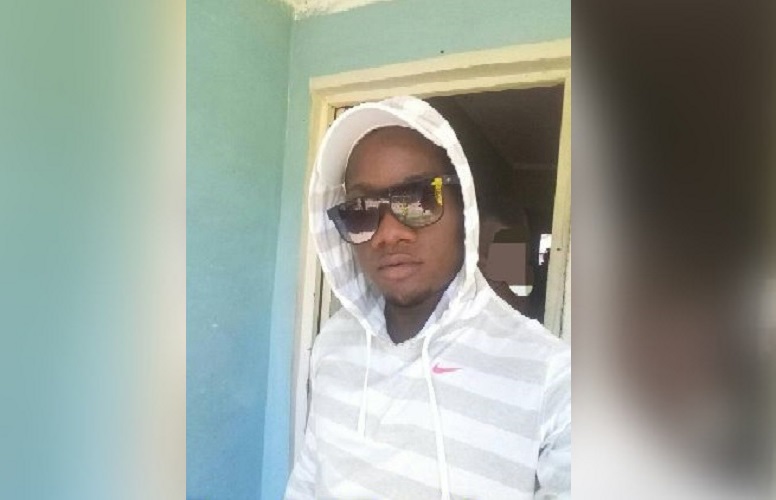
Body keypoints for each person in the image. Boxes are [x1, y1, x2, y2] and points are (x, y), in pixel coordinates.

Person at [285, 96, 570, 499]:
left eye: (418, 199)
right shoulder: (332, 345)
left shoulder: (551, 377)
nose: (388, 234)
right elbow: (307, 483)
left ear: (464, 210)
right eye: (361, 209)